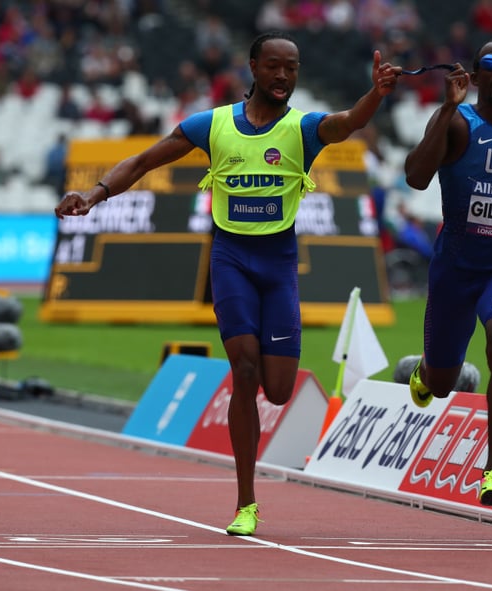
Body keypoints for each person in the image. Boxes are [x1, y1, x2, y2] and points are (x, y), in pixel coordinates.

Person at [54, 31, 402, 535]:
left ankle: (258, 416)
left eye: (293, 68)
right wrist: (94, 193)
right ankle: (246, 502)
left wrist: (375, 95)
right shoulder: (213, 126)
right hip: (232, 259)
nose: (284, 76)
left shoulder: (303, 130)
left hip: (278, 265)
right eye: (275, 67)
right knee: (242, 367)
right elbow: (145, 161)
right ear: (254, 68)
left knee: (278, 390)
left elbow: (349, 122)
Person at [403, 39, 492, 509]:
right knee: (441, 385)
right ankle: (426, 371)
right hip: (455, 272)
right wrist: (445, 109)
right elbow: (416, 177)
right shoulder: (458, 123)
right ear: (476, 76)